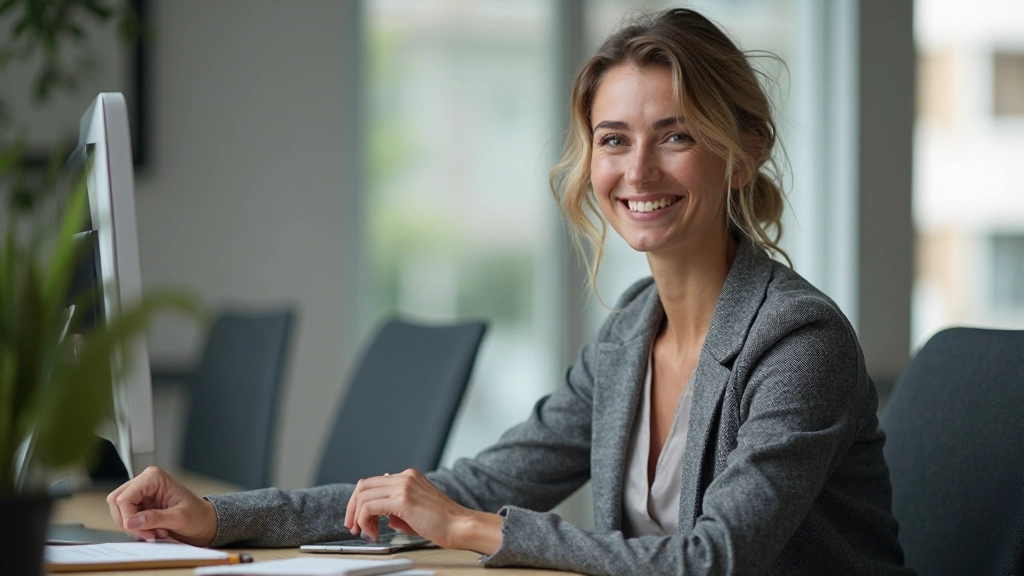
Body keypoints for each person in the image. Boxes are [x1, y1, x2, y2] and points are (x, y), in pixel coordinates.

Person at [107, 9, 913, 575]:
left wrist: (465, 529)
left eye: (675, 135)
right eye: (613, 140)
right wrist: (222, 519)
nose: (637, 172)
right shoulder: (632, 333)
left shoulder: (799, 343)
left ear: (742, 152)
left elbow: (709, 561)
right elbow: (477, 487)